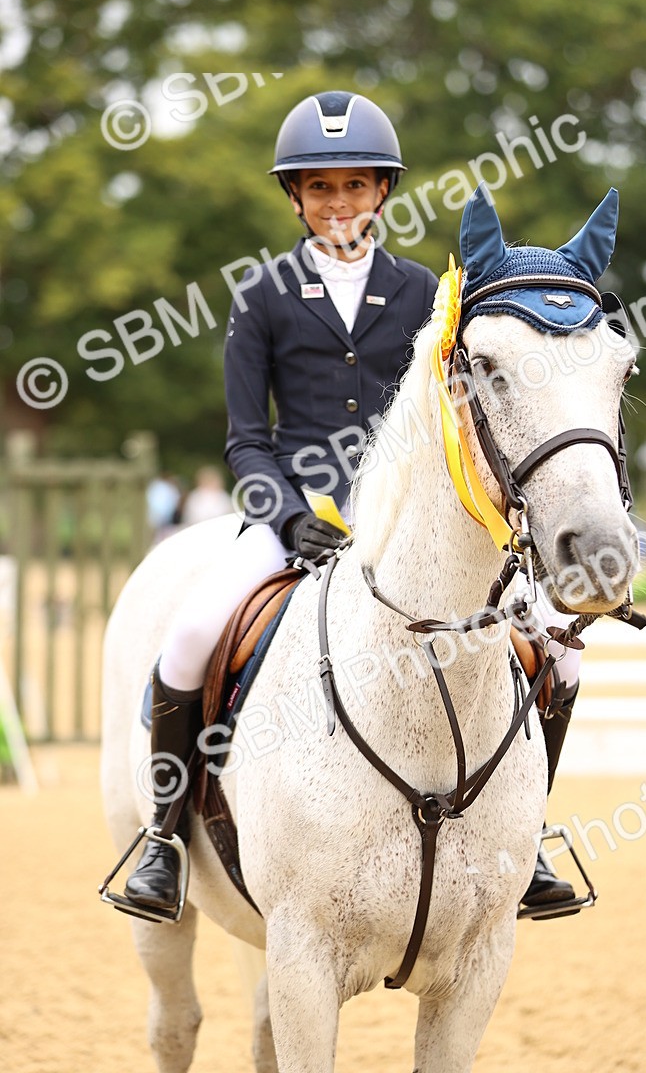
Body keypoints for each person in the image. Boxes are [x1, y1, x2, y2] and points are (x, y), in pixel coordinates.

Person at [123, 90, 439, 911]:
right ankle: (163, 839)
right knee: (189, 638)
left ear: (382, 192)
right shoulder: (262, 294)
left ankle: (529, 836)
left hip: (401, 519)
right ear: (295, 198)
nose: (340, 203)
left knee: (537, 640)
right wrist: (288, 515)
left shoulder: (421, 294)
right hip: (290, 516)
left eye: (355, 186)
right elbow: (244, 438)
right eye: (321, 187)